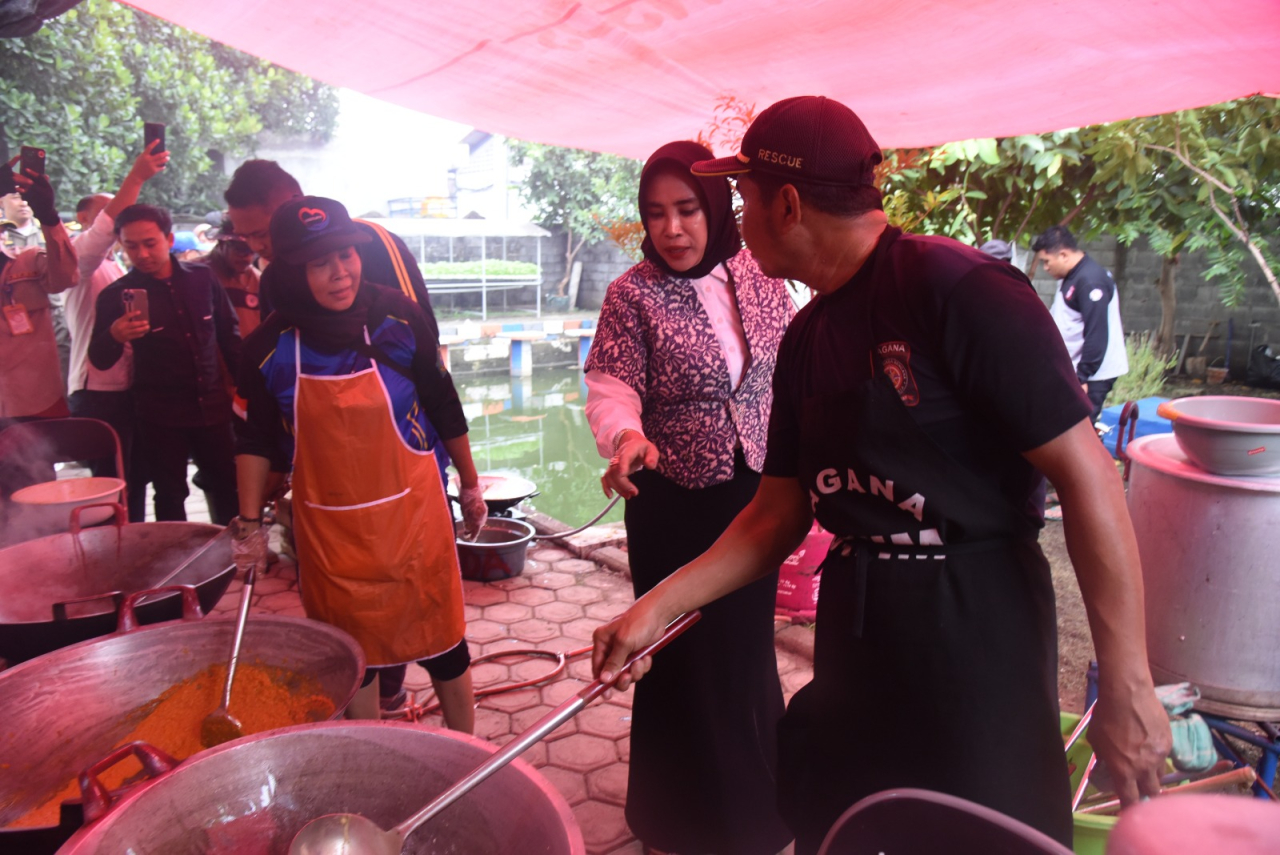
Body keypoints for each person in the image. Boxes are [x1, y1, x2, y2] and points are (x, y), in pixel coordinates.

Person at [592, 96, 1172, 854]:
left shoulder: (957, 291)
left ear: (789, 203)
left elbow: (1088, 474)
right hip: (860, 631)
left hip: (975, 628)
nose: (737, 218)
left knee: (976, 831)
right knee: (849, 823)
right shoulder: (809, 335)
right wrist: (653, 609)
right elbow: (775, 517)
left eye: (744, 198)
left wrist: (1127, 679)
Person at [584, 140, 795, 855]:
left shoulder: (763, 274)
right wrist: (625, 441)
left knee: (741, 656)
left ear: (715, 210)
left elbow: (790, 366)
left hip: (756, 495)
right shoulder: (631, 294)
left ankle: (755, 816)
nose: (671, 228)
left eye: (685, 211)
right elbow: (612, 388)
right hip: (672, 499)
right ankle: (674, 821)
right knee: (677, 656)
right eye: (655, 214)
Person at [231, 196, 488, 728]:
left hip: (413, 521)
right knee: (353, 656)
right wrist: (250, 526)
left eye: (345, 255)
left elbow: (442, 400)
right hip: (331, 537)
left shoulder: (398, 317)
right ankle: (371, 754)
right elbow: (255, 438)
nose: (339, 272)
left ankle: (471, 755)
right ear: (292, 272)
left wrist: (469, 482)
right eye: (319, 262)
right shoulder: (269, 348)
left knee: (444, 643)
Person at [88, 204, 241, 524]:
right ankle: (175, 563)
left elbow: (229, 335)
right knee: (170, 493)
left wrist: (248, 391)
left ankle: (237, 560)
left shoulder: (201, 278)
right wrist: (115, 334)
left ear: (169, 239)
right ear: (121, 245)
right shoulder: (115, 295)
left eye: (150, 243)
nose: (141, 254)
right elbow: (99, 359)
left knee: (230, 484)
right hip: (159, 415)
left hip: (212, 405)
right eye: (131, 246)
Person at [65, 141, 169, 521]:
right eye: (111, 214)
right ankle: (116, 561)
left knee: (137, 478)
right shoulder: (76, 262)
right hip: (96, 392)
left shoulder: (117, 268)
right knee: (112, 489)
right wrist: (137, 177)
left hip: (130, 391)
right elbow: (102, 232)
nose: (118, 221)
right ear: (82, 220)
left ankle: (137, 549)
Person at [224, 160, 438, 340]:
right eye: (246, 236)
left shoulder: (370, 240)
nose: (255, 247)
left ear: (296, 202)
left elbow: (421, 332)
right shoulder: (271, 278)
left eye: (261, 234)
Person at [0, 163, 76, 428]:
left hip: (31, 401)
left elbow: (66, 277)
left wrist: (49, 217)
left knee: (33, 468)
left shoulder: (27, 260)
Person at [1032, 225, 1129, 423]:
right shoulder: (1072, 274)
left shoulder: (1090, 281)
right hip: (1073, 370)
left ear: (1064, 255)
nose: (1046, 268)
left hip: (1091, 376)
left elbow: (1097, 334)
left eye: (1046, 261)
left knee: (1080, 427)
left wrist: (1082, 378)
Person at [205, 217, 262, 339]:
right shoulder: (198, 276)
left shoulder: (259, 281)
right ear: (222, 244)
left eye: (252, 251)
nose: (247, 259)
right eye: (240, 250)